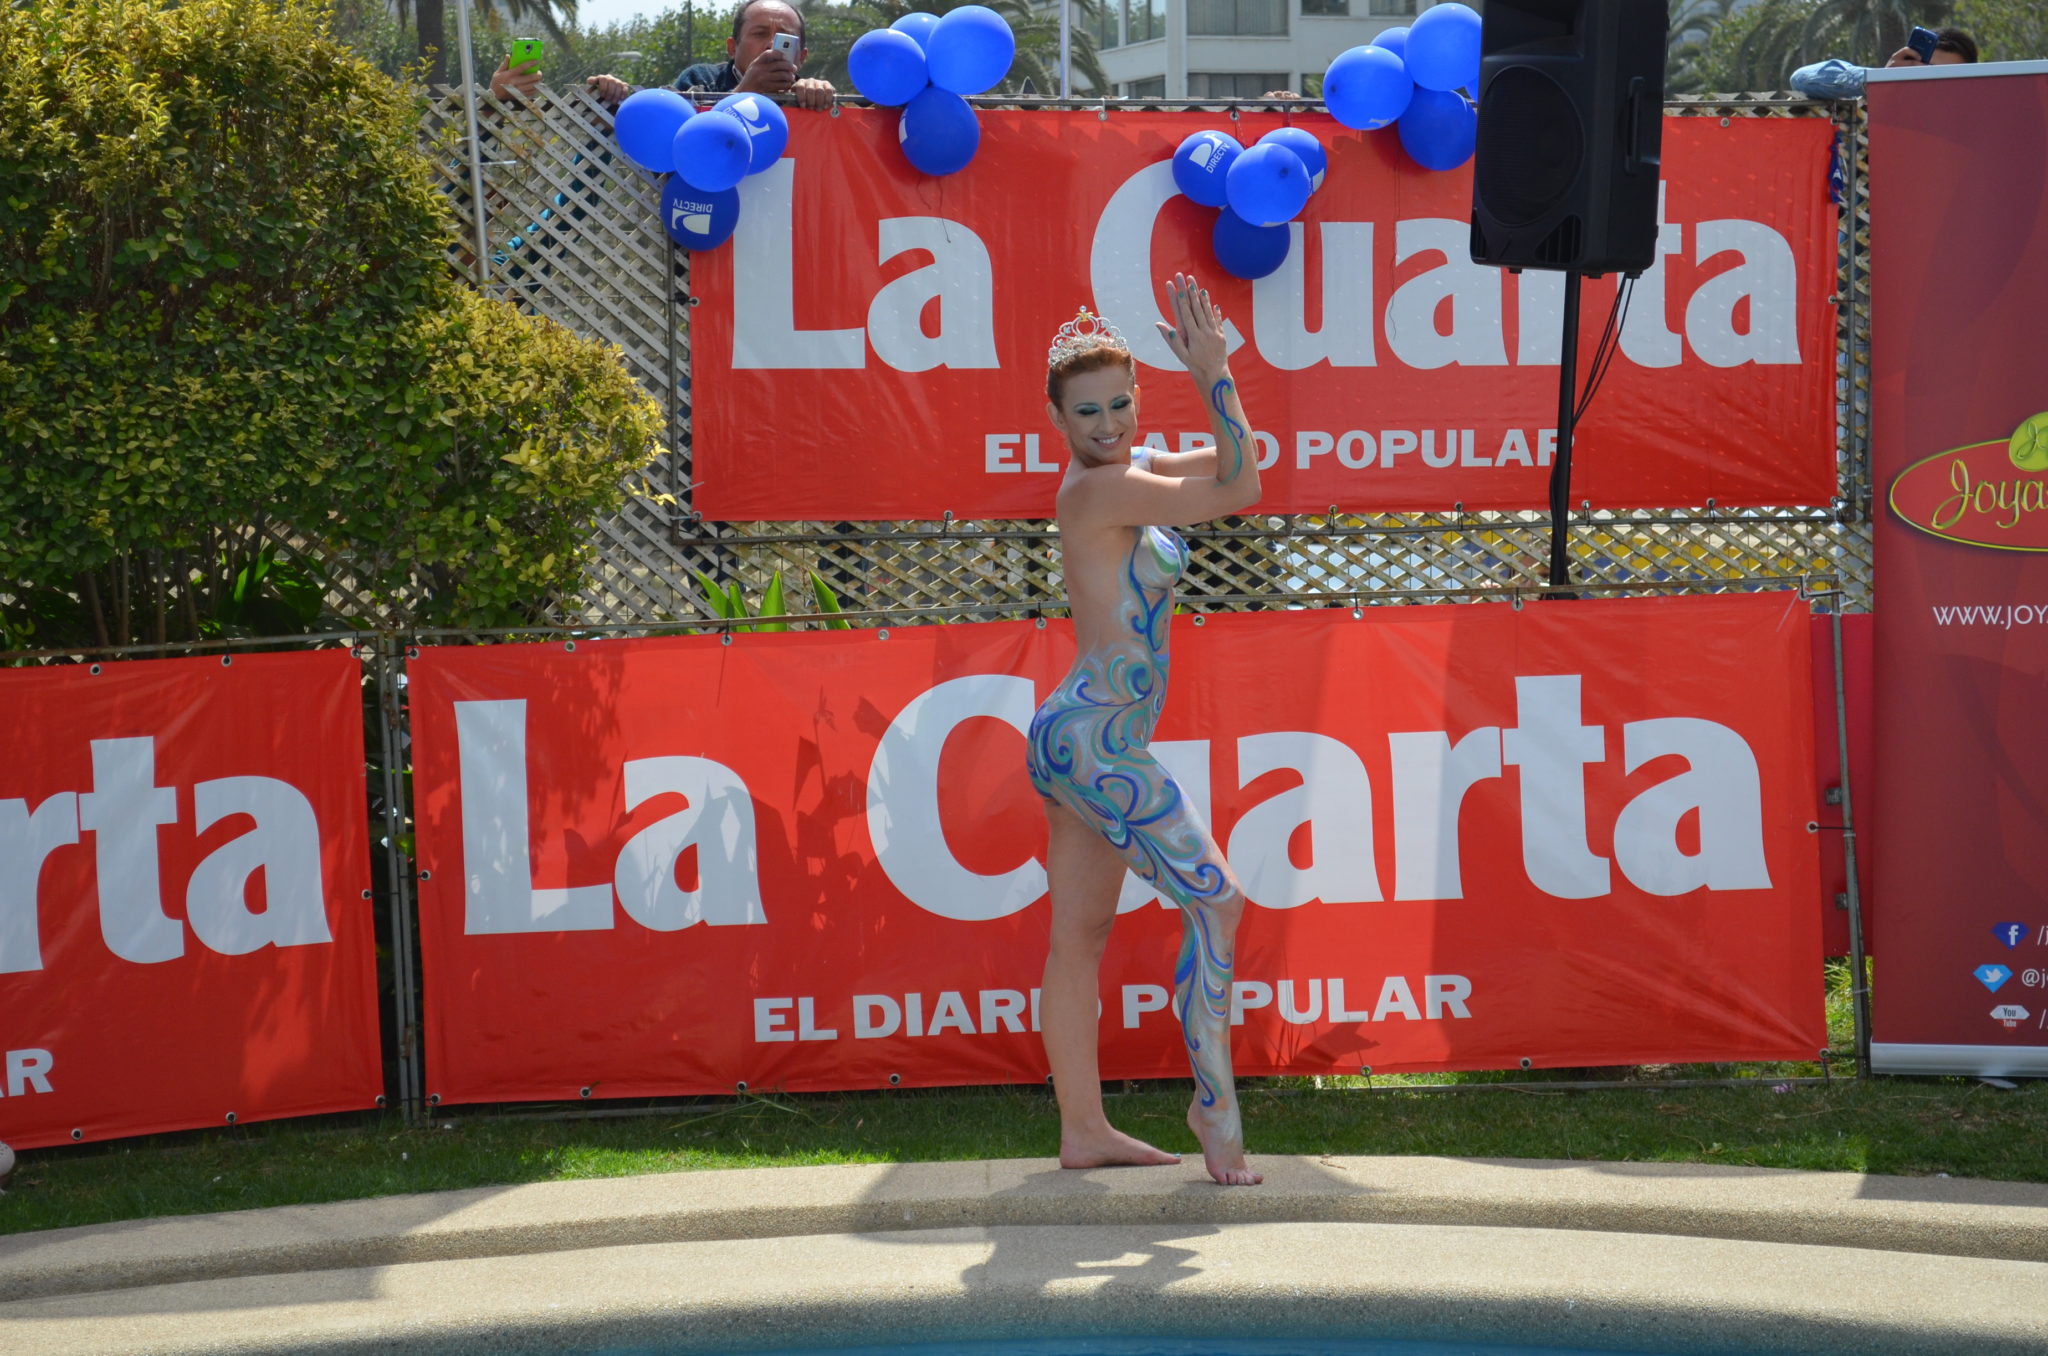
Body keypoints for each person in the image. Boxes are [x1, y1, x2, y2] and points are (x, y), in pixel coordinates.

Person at [1027, 275, 1264, 1187]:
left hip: (1075, 738)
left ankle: (1084, 1131)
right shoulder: (1100, 492)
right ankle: (1214, 1109)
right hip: (1100, 745)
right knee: (1217, 902)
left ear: (1136, 399)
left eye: (1120, 403)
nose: (1107, 423)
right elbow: (1241, 486)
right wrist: (1213, 374)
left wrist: (1215, 380)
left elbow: (1239, 463)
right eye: (1086, 411)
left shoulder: (1133, 471)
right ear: (1057, 418)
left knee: (1077, 940)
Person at [493, 0, 835, 111]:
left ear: (801, 56)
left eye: (784, 40)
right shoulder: (700, 80)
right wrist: (747, 91)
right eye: (759, 34)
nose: (770, 46)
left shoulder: (808, 94)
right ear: (732, 48)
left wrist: (825, 99)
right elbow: (680, 133)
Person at [1790, 26, 1979, 99]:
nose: (1939, 83)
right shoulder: (1880, 100)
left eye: (1952, 76)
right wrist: (1878, 80)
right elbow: (1801, 78)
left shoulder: (1977, 118)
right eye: (1929, 71)